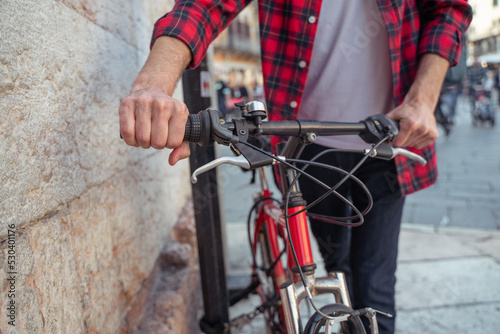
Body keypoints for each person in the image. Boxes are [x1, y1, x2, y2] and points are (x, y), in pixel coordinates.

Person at [118, 1, 472, 333]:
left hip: (390, 138)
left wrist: (422, 100)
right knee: (338, 271)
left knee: (375, 287)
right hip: (308, 147)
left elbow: (449, 9)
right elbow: (202, 6)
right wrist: (153, 85)